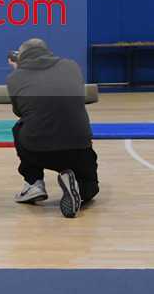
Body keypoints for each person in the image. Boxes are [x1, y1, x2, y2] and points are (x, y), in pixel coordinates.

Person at [7, 38, 99, 218]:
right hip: (79, 148)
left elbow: (19, 111)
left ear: (22, 56)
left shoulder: (14, 78)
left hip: (39, 150)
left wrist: (19, 72)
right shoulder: (71, 66)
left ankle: (34, 183)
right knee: (90, 188)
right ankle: (77, 187)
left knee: (20, 128)